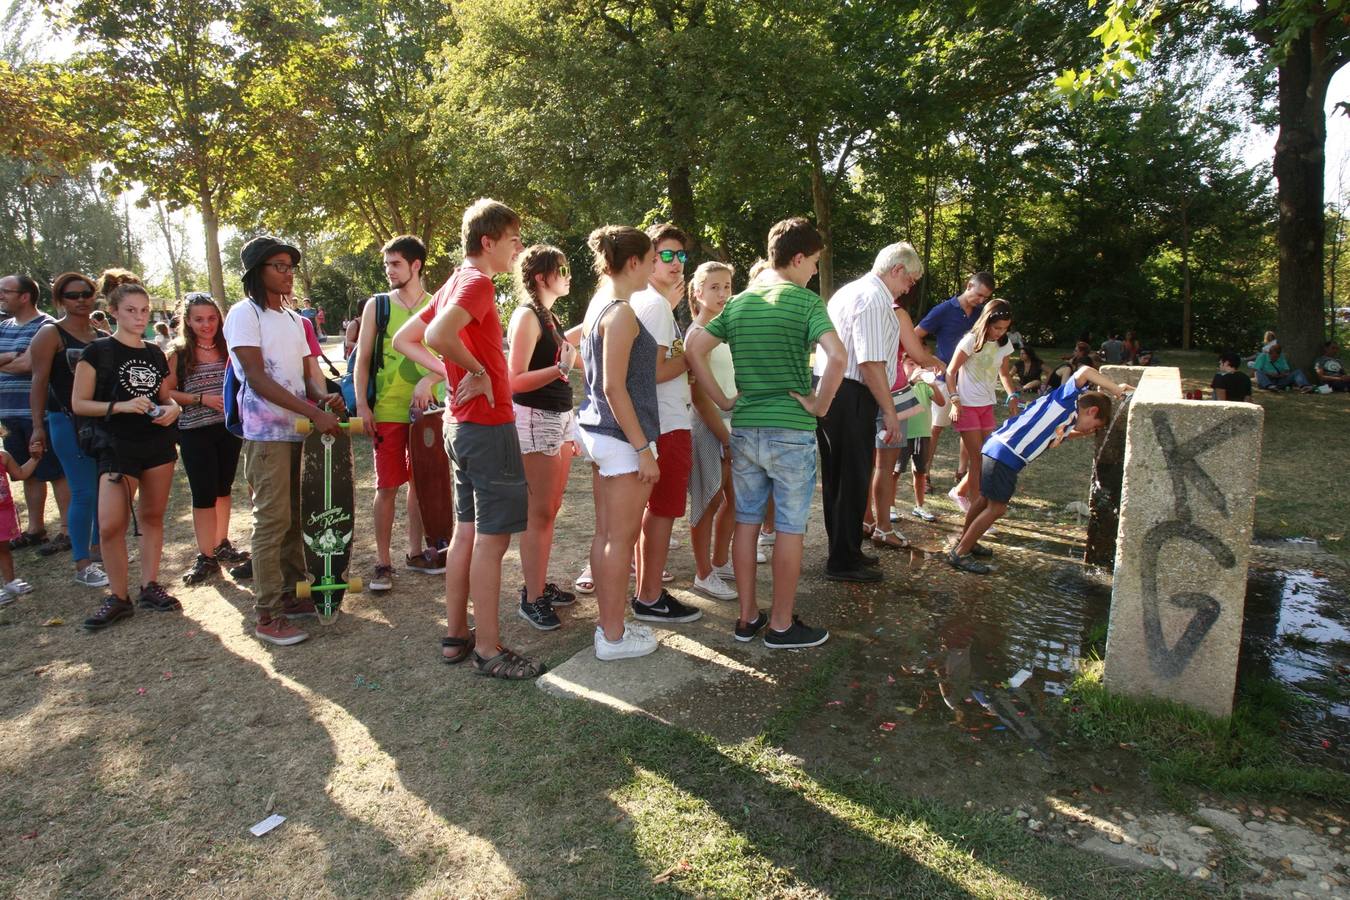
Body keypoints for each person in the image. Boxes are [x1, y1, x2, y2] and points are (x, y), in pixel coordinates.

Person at [393, 198, 543, 679]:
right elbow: (436, 335)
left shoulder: (456, 279)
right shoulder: (476, 281)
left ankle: (456, 636)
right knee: (492, 543)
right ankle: (489, 649)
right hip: (485, 426)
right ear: (488, 241)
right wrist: (475, 370)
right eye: (513, 240)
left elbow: (408, 340)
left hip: (461, 424)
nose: (518, 249)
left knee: (467, 533)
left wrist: (451, 376)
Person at [686, 217, 846, 649]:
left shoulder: (737, 303)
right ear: (797, 258)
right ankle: (780, 625)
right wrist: (819, 404)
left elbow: (694, 348)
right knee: (790, 528)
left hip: (746, 428)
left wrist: (722, 400)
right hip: (791, 431)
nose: (814, 270)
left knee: (746, 522)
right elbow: (838, 357)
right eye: (813, 262)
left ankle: (746, 618)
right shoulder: (805, 302)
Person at [225, 236, 344, 647]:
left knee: (297, 515)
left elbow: (309, 375)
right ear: (258, 271)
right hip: (266, 434)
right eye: (279, 265)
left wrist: (324, 394)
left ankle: (294, 595)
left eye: (291, 265)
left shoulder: (297, 319)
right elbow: (256, 378)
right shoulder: (245, 314)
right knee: (272, 520)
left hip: (301, 435)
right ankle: (267, 613)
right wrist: (314, 412)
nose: (288, 272)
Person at [818, 243, 942, 579]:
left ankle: (847, 551)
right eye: (910, 280)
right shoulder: (873, 298)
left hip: (839, 392)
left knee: (842, 478)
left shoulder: (853, 291)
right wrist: (889, 411)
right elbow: (870, 362)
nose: (909, 287)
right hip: (850, 394)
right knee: (850, 478)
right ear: (897, 269)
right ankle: (843, 560)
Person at [573, 226, 665, 660]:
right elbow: (614, 387)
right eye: (651, 259)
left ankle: (609, 627)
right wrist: (643, 448)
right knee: (620, 539)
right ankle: (612, 636)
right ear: (634, 263)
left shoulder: (599, 305)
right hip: (621, 439)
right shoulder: (622, 312)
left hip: (600, 434)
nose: (654, 267)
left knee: (607, 534)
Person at [71, 284, 183, 629]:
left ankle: (150, 585)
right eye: (131, 310)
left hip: (157, 444)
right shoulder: (97, 351)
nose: (139, 317)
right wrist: (120, 406)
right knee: (110, 525)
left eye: (144, 310)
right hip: (117, 446)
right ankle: (118, 597)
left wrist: (174, 409)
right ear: (114, 311)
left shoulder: (154, 352)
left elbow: (166, 397)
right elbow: (79, 403)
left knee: (152, 516)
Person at [948, 366, 1129, 574]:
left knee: (983, 500)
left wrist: (1084, 432)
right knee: (997, 508)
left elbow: (1065, 435)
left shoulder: (1066, 420)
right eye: (1096, 425)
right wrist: (1115, 389)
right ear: (1092, 411)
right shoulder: (1067, 401)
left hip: (996, 447)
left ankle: (967, 541)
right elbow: (1086, 371)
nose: (1092, 430)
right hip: (1006, 454)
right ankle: (960, 553)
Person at [353, 235, 442, 594]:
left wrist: (431, 380)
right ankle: (383, 562)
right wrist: (362, 405)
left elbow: (452, 355)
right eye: (387, 264)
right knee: (387, 484)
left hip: (427, 411)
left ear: (416, 265)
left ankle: (417, 552)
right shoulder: (377, 306)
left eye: (395, 264)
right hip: (386, 410)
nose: (389, 271)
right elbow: (361, 360)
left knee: (422, 483)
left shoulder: (438, 304)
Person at [627, 223, 703, 625]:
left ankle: (647, 591)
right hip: (667, 422)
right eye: (667, 255)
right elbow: (652, 372)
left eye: (681, 256)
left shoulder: (647, 301)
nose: (676, 264)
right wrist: (691, 356)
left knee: (652, 513)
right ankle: (651, 596)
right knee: (662, 513)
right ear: (648, 258)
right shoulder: (654, 305)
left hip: (657, 421)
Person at [503, 244, 581, 629]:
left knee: (550, 511)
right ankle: (531, 597)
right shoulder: (526, 316)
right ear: (540, 276)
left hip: (559, 417)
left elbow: (569, 356)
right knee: (540, 514)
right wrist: (559, 370)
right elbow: (513, 380)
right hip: (536, 419)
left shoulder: (548, 315)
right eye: (561, 268)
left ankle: (539, 586)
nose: (568, 275)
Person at [26, 272, 108, 587]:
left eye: (86, 293)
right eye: (73, 295)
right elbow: (38, 382)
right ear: (60, 299)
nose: (81, 299)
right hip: (64, 420)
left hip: (100, 421)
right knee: (84, 491)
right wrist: (37, 427)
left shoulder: (99, 333)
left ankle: (101, 551)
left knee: (104, 490)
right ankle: (82, 562)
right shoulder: (51, 334)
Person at [163, 292, 249, 584]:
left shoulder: (228, 347)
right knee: (203, 493)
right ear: (187, 321)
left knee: (224, 489)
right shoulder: (179, 353)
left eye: (211, 318)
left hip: (227, 429)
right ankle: (206, 555)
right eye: (199, 319)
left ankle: (221, 543)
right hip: (194, 430)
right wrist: (200, 399)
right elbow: (165, 393)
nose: (206, 324)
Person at [0, 273, 69, 552]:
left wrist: (11, 360)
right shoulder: (3, 326)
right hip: (8, 412)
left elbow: (30, 365)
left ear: (25, 296)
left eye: (6, 291)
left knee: (54, 470)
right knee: (25, 472)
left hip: (38, 412)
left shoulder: (47, 326)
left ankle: (66, 529)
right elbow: (20, 361)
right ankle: (35, 528)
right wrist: (13, 358)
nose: (1, 296)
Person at [685, 261, 738, 601]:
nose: (722, 294)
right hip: (709, 426)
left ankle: (720, 561)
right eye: (714, 287)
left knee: (736, 497)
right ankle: (703, 573)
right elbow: (700, 399)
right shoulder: (696, 335)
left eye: (727, 287)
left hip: (733, 423)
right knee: (708, 499)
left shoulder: (727, 329)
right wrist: (724, 437)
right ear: (698, 292)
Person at [914, 272, 993, 490]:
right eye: (978, 295)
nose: (980, 301)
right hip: (944, 378)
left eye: (985, 298)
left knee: (970, 428)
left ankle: (962, 471)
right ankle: (925, 473)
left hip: (970, 381)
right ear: (968, 286)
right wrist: (930, 359)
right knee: (936, 428)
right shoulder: (943, 310)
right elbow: (915, 334)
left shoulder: (980, 313)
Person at [946, 299, 1019, 516]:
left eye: (1005, 328)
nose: (1000, 332)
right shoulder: (970, 341)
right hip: (966, 406)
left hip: (987, 405)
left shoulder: (1004, 344)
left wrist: (1012, 395)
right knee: (977, 459)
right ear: (986, 321)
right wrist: (954, 400)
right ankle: (976, 511)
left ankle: (959, 492)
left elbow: (1004, 374)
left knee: (990, 456)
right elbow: (950, 372)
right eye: (997, 327)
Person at [872, 356, 946, 531]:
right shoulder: (902, 387)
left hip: (922, 434)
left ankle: (920, 505)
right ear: (901, 366)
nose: (916, 368)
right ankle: (890, 507)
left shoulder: (924, 385)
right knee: (894, 471)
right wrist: (911, 381)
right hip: (904, 435)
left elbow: (941, 402)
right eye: (911, 364)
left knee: (920, 471)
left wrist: (932, 382)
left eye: (918, 364)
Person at [0, 425, 44, 606]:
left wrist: (35, 459)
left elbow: (21, 474)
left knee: (3, 549)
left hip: (4, 511)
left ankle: (9, 582)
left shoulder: (4, 456)